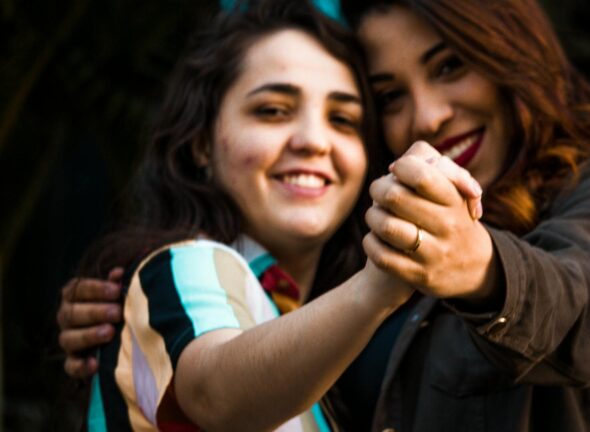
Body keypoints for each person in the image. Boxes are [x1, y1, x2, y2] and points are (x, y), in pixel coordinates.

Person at [60, 0, 590, 430]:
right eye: (391, 96)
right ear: (201, 140)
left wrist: (478, 268)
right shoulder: (340, 277)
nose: (426, 117)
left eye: (450, 66)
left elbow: (580, 304)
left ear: (511, 53)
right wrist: (139, 315)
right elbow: (218, 380)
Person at [62, 1, 478, 429]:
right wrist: (380, 282)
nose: (315, 141)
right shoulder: (188, 263)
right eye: (273, 110)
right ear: (202, 142)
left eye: (343, 118)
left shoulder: (312, 324)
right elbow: (214, 395)